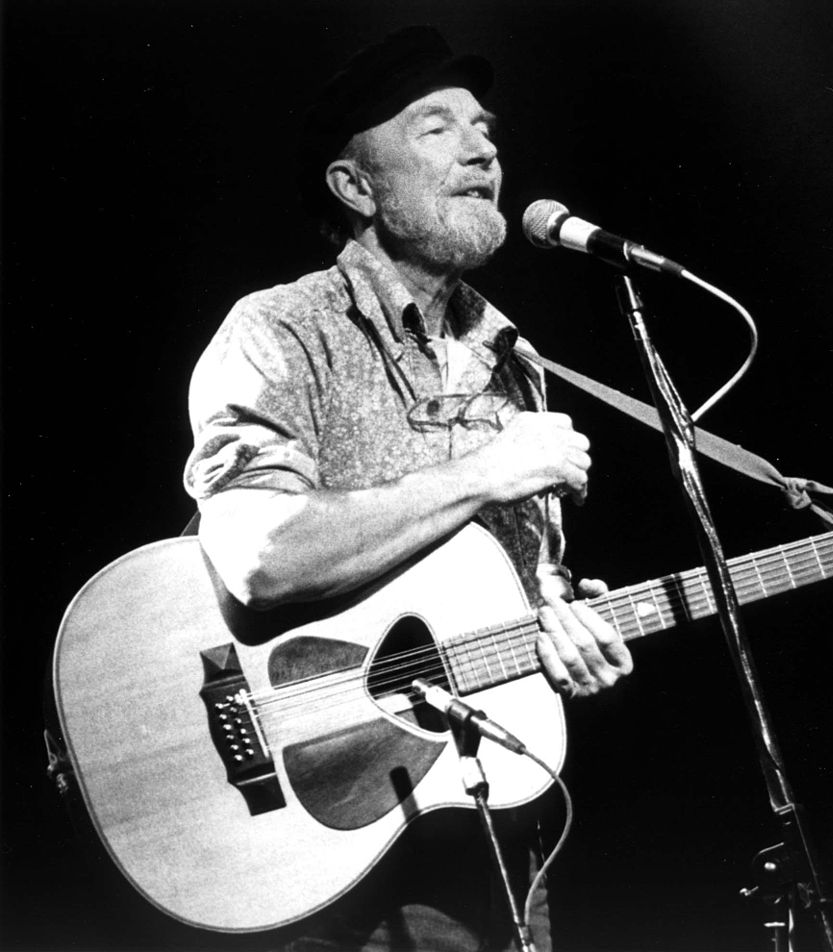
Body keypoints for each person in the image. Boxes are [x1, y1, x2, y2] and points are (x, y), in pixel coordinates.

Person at [182, 25, 632, 952]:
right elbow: (257, 556)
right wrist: (487, 471)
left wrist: (567, 632)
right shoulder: (281, 331)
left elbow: (516, 598)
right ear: (357, 187)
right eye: (437, 129)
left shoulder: (517, 366)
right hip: (317, 866)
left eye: (486, 130)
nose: (483, 150)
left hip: (489, 855)